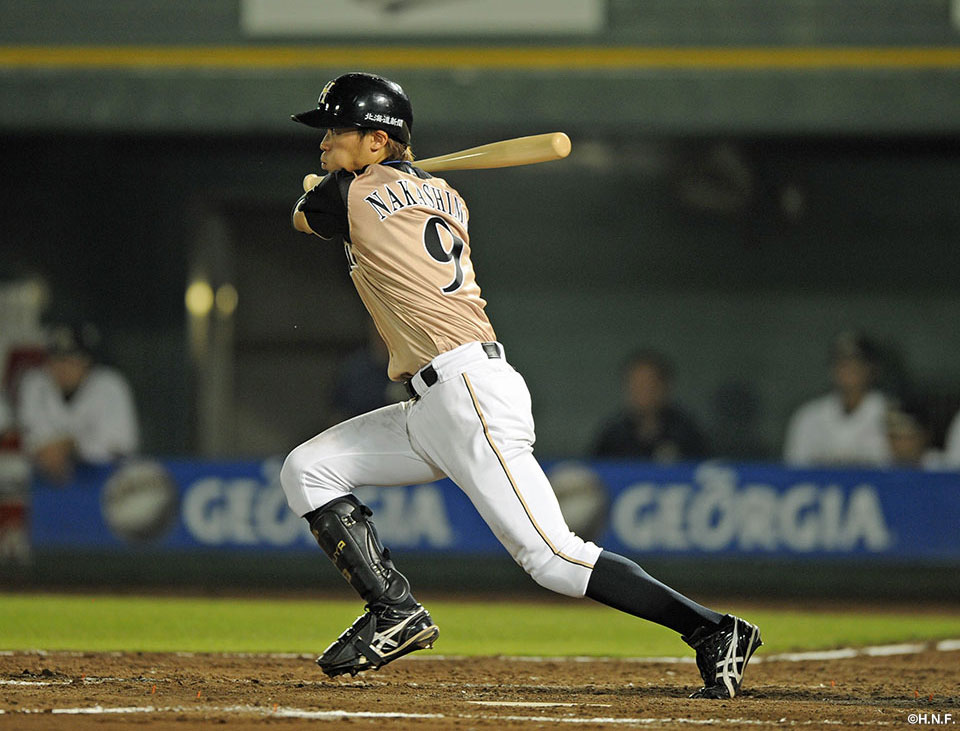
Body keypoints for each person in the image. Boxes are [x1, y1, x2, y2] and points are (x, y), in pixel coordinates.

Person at [279, 72, 761, 699]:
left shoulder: (352, 191)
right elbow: (352, 205)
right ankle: (394, 609)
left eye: (336, 131)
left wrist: (324, 188)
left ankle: (714, 630)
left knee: (553, 559)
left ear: (376, 141)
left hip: (467, 393)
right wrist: (342, 181)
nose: (323, 142)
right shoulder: (444, 194)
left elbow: (302, 218)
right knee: (309, 469)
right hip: (437, 400)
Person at [16, 322, 139, 483]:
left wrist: (70, 446)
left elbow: (119, 447)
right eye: (57, 360)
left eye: (71, 360)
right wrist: (55, 449)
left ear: (87, 361)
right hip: (45, 484)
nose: (63, 368)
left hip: (105, 483)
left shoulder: (110, 385)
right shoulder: (35, 383)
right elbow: (32, 440)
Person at [783, 331, 891, 467]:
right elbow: (793, 472)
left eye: (856, 362)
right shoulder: (808, 417)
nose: (848, 369)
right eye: (842, 363)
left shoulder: (892, 415)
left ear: (872, 368)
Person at [591, 349, 707, 462]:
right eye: (635, 385)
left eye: (648, 385)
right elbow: (592, 468)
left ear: (665, 387)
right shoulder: (613, 435)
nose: (641, 392)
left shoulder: (686, 433)